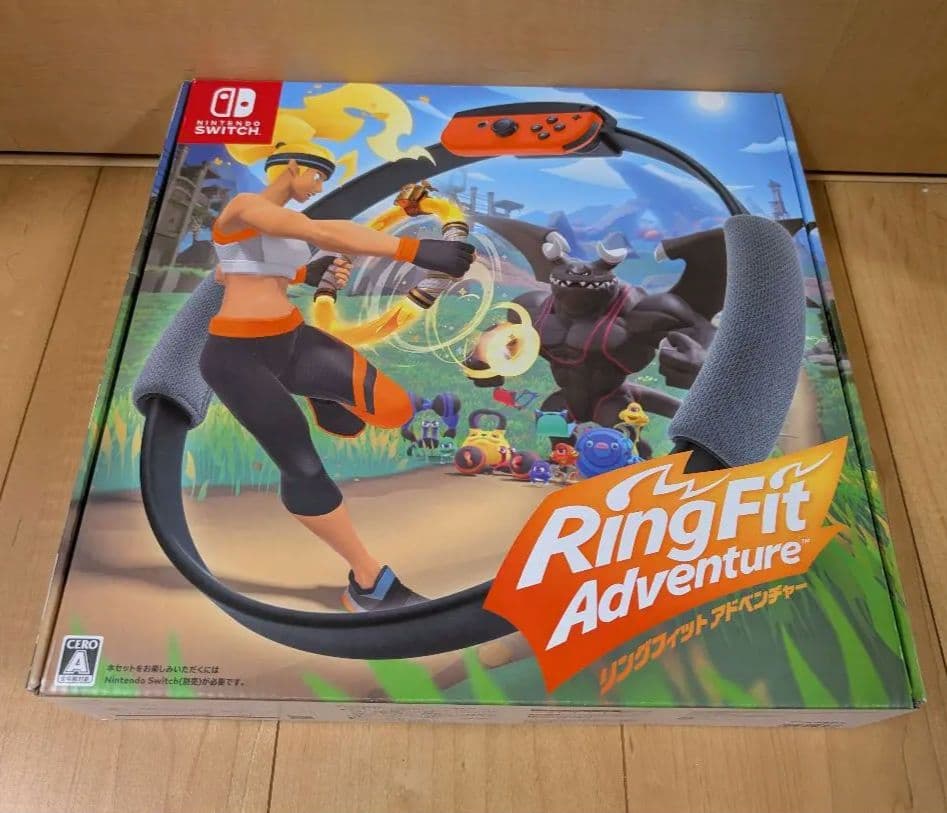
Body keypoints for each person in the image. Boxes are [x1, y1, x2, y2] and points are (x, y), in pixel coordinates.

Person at [199, 140, 474, 611]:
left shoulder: (278, 227)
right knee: (303, 466)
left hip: (292, 340)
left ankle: (316, 391)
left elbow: (239, 269)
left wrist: (306, 274)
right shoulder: (245, 207)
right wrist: (413, 249)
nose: (319, 186)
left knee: (395, 410)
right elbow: (319, 231)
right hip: (237, 357)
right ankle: (367, 581)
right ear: (290, 167)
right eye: (316, 176)